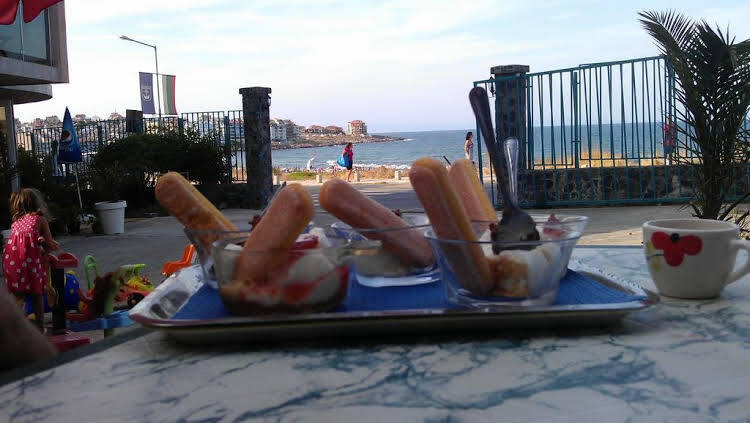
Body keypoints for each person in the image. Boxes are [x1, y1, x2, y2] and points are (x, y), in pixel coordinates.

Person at [2, 188, 59, 332]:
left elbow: (24, 241)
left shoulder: (16, 222)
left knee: (18, 295)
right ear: (36, 203)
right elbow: (49, 243)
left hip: (13, 262)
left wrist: (38, 241)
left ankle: (13, 327)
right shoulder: (40, 219)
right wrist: (52, 245)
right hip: (31, 263)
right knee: (36, 293)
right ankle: (39, 327)